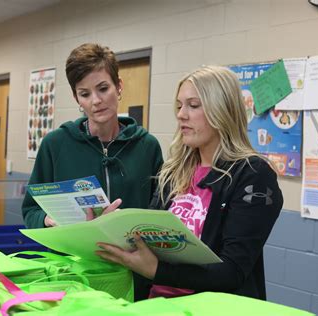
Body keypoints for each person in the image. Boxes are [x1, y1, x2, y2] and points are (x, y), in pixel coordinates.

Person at [96, 65, 283, 301]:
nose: (181, 114)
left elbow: (232, 271)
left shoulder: (252, 174)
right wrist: (114, 228)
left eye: (193, 106)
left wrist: (157, 270)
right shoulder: (173, 171)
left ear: (222, 110)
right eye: (179, 105)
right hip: (157, 305)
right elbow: (151, 240)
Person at [22, 43, 163, 228]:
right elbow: (31, 211)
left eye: (103, 88)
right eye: (85, 94)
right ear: (76, 98)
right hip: (71, 254)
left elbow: (162, 210)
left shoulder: (147, 146)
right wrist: (47, 220)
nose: (96, 101)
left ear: (119, 86)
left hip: (129, 255)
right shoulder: (55, 145)